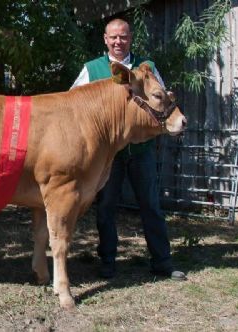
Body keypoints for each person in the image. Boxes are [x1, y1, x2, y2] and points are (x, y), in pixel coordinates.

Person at [71, 18, 186, 281]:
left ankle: (162, 263)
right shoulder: (93, 69)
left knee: (151, 206)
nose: (118, 42)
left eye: (123, 37)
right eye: (113, 37)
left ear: (130, 38)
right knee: (106, 207)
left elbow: (164, 99)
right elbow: (71, 103)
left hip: (141, 150)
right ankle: (108, 263)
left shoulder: (147, 68)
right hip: (109, 154)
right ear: (105, 39)